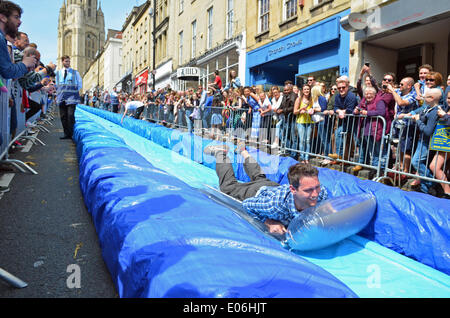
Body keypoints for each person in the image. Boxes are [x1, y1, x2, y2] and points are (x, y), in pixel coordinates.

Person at [203, 142, 328, 234]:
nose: (314, 194)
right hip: (256, 192)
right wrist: (268, 222)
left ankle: (243, 151)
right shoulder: (274, 206)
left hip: (271, 187)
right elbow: (248, 205)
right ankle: (221, 153)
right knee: (228, 187)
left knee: (260, 177)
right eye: (308, 190)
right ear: (293, 189)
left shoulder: (320, 193)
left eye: (316, 187)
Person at [409, 88, 442, 194]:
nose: (423, 97)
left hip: (426, 141)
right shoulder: (428, 108)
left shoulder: (434, 112)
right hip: (421, 140)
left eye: (425, 96)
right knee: (418, 162)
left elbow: (428, 131)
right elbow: (420, 112)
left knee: (416, 161)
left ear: (432, 98)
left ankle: (431, 182)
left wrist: (418, 120)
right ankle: (425, 188)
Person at [353, 86, 387, 172]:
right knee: (373, 150)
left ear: (375, 94)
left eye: (370, 94)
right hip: (367, 130)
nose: (368, 96)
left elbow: (381, 112)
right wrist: (356, 111)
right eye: (366, 94)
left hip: (377, 129)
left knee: (378, 150)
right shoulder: (364, 101)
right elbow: (356, 109)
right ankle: (375, 168)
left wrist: (368, 113)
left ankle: (381, 170)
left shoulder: (379, 101)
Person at [54, 55, 82, 140]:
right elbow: (57, 85)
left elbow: (79, 84)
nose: (68, 63)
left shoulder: (75, 72)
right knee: (63, 116)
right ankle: (66, 134)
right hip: (61, 97)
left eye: (69, 61)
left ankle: (71, 133)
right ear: (62, 62)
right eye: (66, 61)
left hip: (71, 98)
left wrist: (72, 91)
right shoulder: (58, 73)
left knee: (70, 115)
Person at [429, 90, 450, 198]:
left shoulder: (445, 111)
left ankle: (447, 192)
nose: (449, 100)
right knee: (440, 167)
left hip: (447, 144)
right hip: (444, 143)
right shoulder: (446, 108)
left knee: (434, 166)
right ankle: (445, 191)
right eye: (448, 98)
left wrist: (445, 116)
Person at [293, 84, 313, 163]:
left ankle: (306, 158)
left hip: (309, 122)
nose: (306, 91)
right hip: (300, 122)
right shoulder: (299, 99)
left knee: (308, 140)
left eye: (308, 89)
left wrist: (312, 110)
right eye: (305, 89)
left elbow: (314, 108)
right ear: (302, 91)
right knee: (302, 140)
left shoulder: (311, 99)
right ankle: (302, 157)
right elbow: (295, 111)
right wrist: (301, 109)